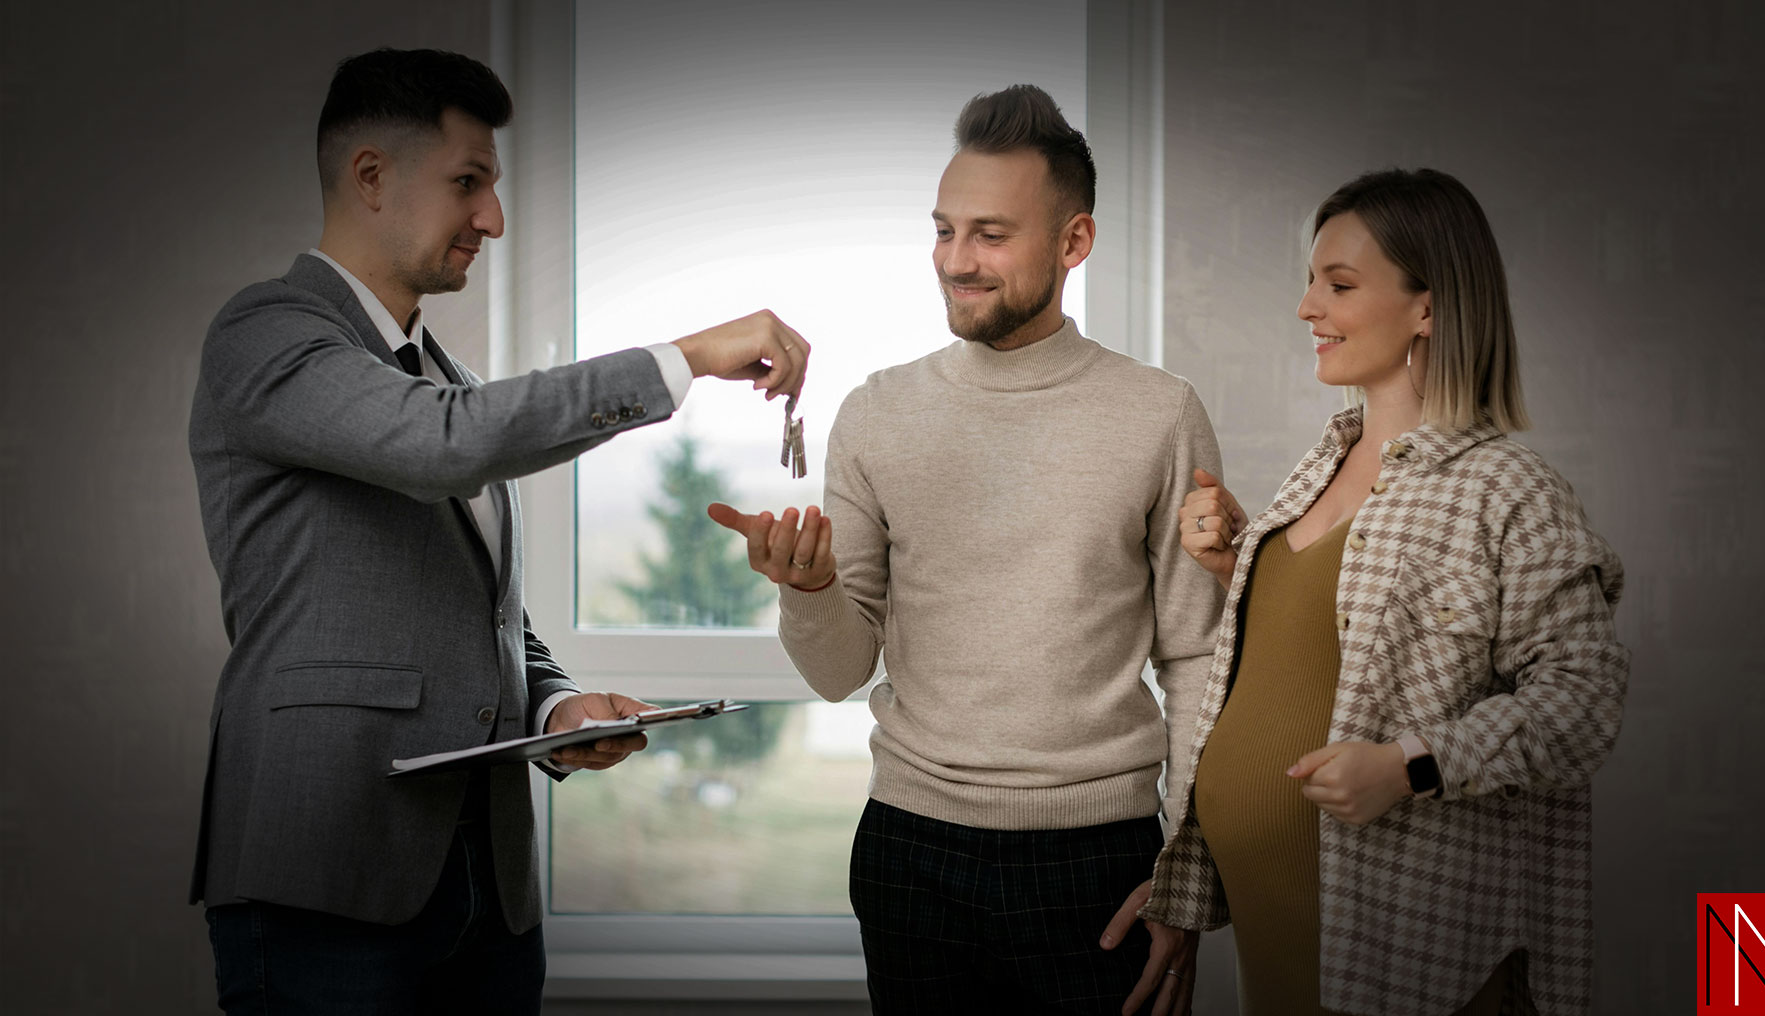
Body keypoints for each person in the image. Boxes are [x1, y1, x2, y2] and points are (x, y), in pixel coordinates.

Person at [188, 48, 811, 1014]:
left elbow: (484, 617)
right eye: (468, 183)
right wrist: (684, 359)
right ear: (370, 177)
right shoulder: (266, 335)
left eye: (495, 186)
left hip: (489, 894)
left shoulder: (450, 386)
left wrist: (555, 711)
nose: (493, 218)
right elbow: (445, 447)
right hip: (327, 875)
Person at [707, 85, 1231, 1015]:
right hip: (910, 852)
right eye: (943, 231)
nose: (957, 261)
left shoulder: (1159, 413)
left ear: (1075, 242)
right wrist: (810, 591)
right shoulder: (877, 412)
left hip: (1099, 858)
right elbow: (837, 672)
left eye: (990, 234)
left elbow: (1195, 657)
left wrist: (1188, 871)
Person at [1136, 168, 1629, 1016]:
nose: (1306, 308)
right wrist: (1241, 571)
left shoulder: (1508, 490)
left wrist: (1411, 768)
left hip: (1409, 959)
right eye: (1310, 281)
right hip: (1276, 936)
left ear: (1428, 308)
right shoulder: (1318, 466)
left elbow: (1582, 703)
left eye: (1339, 284)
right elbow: (1326, 651)